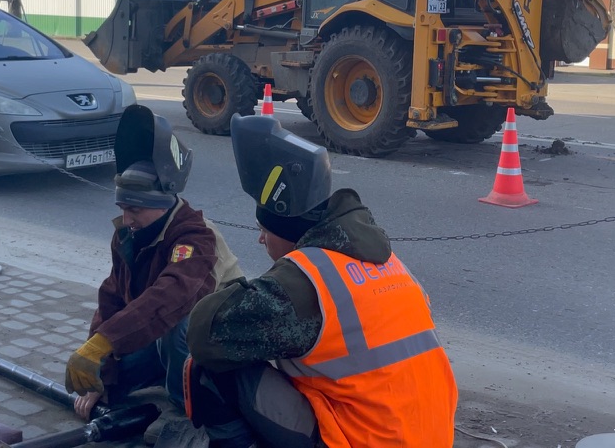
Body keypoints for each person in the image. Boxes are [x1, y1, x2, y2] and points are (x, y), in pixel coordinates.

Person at [184, 115, 458, 448]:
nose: (261, 240)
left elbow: (204, 333)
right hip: (428, 435)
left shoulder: (306, 280)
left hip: (362, 440)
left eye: (264, 230)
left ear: (286, 231)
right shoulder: (385, 260)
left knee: (209, 365)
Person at [65, 105, 243, 443]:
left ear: (161, 204)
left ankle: (185, 410)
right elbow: (112, 299)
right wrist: (99, 366)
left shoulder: (196, 237)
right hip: (170, 340)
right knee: (110, 380)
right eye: (122, 208)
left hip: (222, 345)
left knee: (179, 322)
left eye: (134, 209)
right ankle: (169, 373)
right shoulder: (128, 236)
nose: (127, 219)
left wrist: (105, 341)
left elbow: (172, 296)